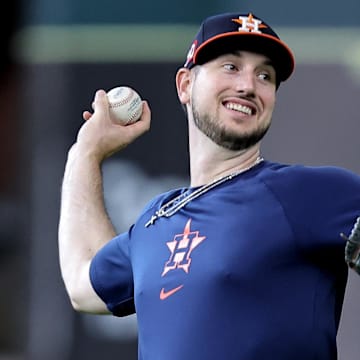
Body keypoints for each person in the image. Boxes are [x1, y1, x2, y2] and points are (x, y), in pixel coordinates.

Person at [58, 11, 360, 360]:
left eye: (265, 75)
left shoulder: (307, 194)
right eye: (231, 67)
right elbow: (83, 285)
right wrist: (84, 154)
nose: (248, 86)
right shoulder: (155, 222)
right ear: (185, 85)